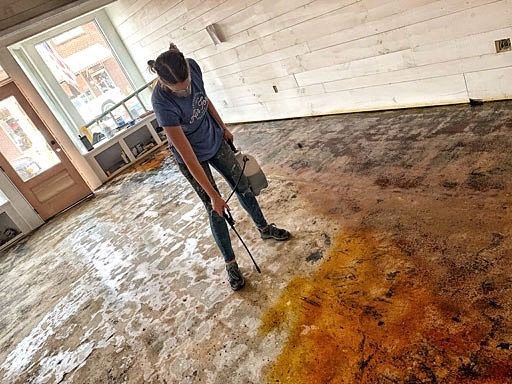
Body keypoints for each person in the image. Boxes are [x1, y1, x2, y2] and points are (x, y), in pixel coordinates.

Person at [149, 43, 290, 291]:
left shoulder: (192, 66)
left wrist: (222, 126)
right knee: (215, 209)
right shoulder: (161, 102)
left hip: (214, 138)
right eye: (177, 90)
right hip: (192, 156)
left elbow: (204, 99)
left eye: (187, 85)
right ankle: (231, 264)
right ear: (163, 82)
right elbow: (188, 155)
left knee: (243, 186)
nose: (185, 92)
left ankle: (264, 228)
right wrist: (214, 196)